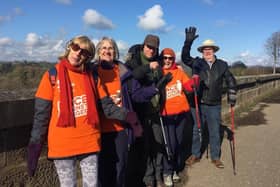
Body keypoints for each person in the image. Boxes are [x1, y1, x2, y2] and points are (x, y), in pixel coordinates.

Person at [27, 35, 100, 187]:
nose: (78, 53)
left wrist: (128, 116)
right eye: (76, 47)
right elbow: (41, 116)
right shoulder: (51, 75)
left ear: (88, 57)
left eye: (84, 52)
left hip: (89, 141)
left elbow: (107, 105)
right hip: (62, 144)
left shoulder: (92, 76)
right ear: (69, 48)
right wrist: (34, 147)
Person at [181, 27, 237, 169]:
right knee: (196, 130)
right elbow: (185, 58)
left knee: (214, 131)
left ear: (214, 50)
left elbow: (230, 79)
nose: (207, 51)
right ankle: (195, 154)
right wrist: (187, 43)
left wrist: (232, 91)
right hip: (198, 102)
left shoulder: (222, 65)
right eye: (205, 49)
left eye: (210, 49)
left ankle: (215, 157)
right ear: (201, 51)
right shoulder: (197, 63)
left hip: (214, 104)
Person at [93, 36, 144, 187]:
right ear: (98, 51)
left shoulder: (123, 71)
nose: (107, 51)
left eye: (110, 48)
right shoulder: (92, 71)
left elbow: (135, 93)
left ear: (115, 52)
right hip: (99, 129)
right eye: (104, 48)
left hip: (121, 128)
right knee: (102, 170)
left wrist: (152, 90)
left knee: (120, 167)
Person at [125, 34, 173, 187]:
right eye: (149, 47)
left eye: (154, 48)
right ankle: (149, 178)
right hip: (140, 112)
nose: (151, 50)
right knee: (144, 148)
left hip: (155, 110)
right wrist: (148, 67)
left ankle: (158, 175)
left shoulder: (157, 62)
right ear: (143, 45)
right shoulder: (133, 60)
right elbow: (134, 75)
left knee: (158, 145)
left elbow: (160, 81)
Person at [159, 48, 198, 186]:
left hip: (181, 114)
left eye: (170, 58)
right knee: (170, 145)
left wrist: (195, 79)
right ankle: (167, 172)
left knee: (179, 143)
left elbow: (188, 87)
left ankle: (175, 169)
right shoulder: (158, 72)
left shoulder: (179, 72)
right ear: (161, 58)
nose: (168, 60)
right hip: (166, 115)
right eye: (165, 58)